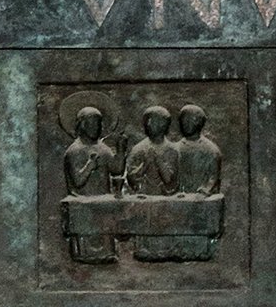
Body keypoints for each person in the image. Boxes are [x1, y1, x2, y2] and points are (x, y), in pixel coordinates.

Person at [62, 106, 120, 264]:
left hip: (103, 202)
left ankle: (106, 254)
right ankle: (84, 255)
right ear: (82, 125)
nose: (96, 127)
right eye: (92, 123)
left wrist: (121, 151)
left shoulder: (103, 149)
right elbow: (78, 182)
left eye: (98, 123)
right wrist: (89, 166)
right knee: (86, 241)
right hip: (83, 203)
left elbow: (116, 169)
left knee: (106, 236)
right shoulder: (74, 151)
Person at [125, 105, 181, 261]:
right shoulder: (139, 149)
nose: (151, 125)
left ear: (165, 125)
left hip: (164, 198)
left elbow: (170, 180)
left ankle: (166, 250)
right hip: (144, 197)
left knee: (164, 225)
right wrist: (146, 164)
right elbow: (131, 178)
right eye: (148, 121)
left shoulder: (172, 150)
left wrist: (158, 160)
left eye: (156, 121)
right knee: (145, 227)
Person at [171, 103, 223, 260]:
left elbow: (213, 177)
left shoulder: (210, 149)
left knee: (198, 229)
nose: (187, 123)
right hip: (180, 198)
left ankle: (200, 252)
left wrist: (205, 191)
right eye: (184, 120)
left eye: (192, 120)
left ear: (200, 122)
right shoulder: (176, 148)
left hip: (200, 199)